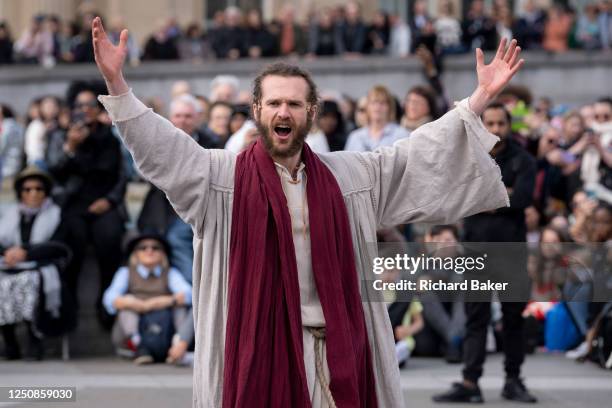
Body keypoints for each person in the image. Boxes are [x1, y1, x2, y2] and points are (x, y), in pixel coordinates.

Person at [92, 17, 523, 407]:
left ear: (311, 114)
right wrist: (118, 86)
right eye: (275, 103)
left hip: (339, 352)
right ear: (257, 110)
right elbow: (164, 149)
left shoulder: (351, 174)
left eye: (295, 105)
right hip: (256, 350)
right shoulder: (218, 176)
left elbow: (418, 154)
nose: (284, 112)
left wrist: (480, 98)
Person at [433, 102, 537, 404]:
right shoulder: (468, 160)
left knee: (513, 318)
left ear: (509, 126)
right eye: (489, 123)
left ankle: (513, 380)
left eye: (501, 123)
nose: (496, 129)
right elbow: (459, 196)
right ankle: (470, 381)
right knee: (475, 318)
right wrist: (503, 194)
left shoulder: (524, 160)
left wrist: (486, 197)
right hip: (476, 251)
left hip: (511, 252)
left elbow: (524, 199)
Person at [46, 88, 127, 325]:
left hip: (104, 202)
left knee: (110, 238)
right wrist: (70, 147)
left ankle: (106, 303)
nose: (86, 110)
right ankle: (67, 306)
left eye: (91, 105)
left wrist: (110, 200)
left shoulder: (111, 137)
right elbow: (54, 174)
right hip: (73, 202)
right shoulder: (60, 136)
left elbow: (122, 175)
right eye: (80, 106)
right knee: (73, 242)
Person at [0, 166, 61, 360]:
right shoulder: (8, 214)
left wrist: (25, 252)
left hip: (40, 267)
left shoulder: (57, 214)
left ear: (46, 192)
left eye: (38, 189)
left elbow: (59, 245)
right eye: (27, 189)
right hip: (8, 266)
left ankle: (34, 340)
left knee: (29, 282)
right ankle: (10, 342)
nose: (33, 193)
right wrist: (8, 253)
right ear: (20, 193)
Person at [102, 233, 192, 364]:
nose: (149, 250)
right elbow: (109, 299)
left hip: (164, 331)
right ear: (135, 253)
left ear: (163, 254)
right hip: (131, 331)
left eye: (155, 247)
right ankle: (138, 345)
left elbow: (189, 294)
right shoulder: (125, 272)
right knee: (126, 303)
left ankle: (177, 347)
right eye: (142, 247)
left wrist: (152, 304)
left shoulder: (170, 273)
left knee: (180, 306)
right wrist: (135, 303)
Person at [344, 85, 409, 151]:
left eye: (382, 103)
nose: (377, 107)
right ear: (367, 107)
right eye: (374, 102)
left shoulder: (402, 135)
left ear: (389, 107)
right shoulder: (355, 137)